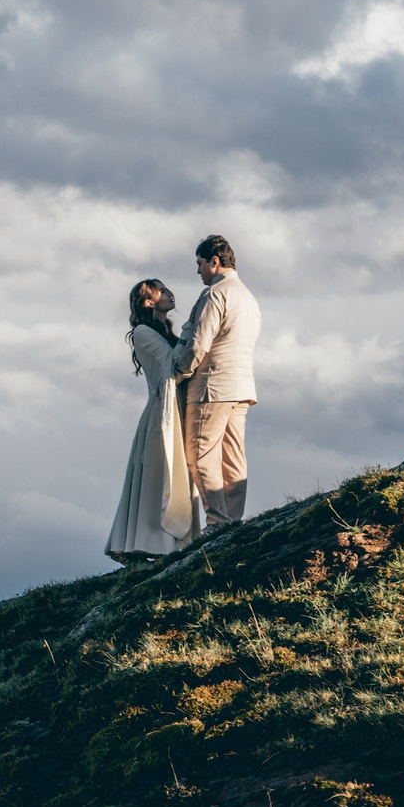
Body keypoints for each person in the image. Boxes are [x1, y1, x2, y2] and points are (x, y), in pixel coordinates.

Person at [172, 233, 261, 531]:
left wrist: (179, 370)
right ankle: (233, 520)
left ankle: (218, 522)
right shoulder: (249, 298)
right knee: (233, 457)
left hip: (212, 387)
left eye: (199, 264)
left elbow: (199, 343)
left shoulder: (216, 294)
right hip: (242, 387)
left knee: (199, 454)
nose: (198, 271)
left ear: (214, 261)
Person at [105, 278, 198, 561]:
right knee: (160, 475)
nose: (170, 292)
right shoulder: (143, 332)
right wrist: (191, 331)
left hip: (175, 409)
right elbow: (173, 365)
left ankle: (172, 543)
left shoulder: (162, 331)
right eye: (162, 290)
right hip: (163, 413)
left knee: (172, 473)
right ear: (148, 302)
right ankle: (152, 544)